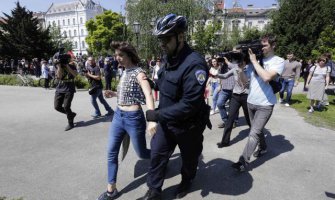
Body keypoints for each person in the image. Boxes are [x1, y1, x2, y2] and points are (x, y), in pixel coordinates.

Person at [138, 14, 210, 200]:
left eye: (166, 38)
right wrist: (151, 85)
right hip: (167, 123)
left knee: (189, 160)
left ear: (180, 37)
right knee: (157, 156)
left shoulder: (195, 64)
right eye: (159, 39)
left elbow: (189, 105)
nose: (162, 43)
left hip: (188, 125)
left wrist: (156, 115)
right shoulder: (168, 57)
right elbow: (167, 84)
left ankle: (187, 181)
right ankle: (154, 191)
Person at [96, 41, 156, 200]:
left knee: (142, 154)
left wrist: (151, 119)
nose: (117, 58)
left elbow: (148, 95)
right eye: (116, 55)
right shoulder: (124, 71)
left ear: (129, 55)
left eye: (120, 55)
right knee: (111, 152)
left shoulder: (139, 73)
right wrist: (114, 94)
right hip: (118, 116)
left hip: (133, 118)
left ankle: (160, 157)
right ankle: (111, 190)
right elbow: (130, 93)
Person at [231, 34, 285, 172]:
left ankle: (243, 161)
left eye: (265, 45)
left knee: (254, 132)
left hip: (265, 104)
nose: (262, 48)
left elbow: (267, 77)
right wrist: (241, 68)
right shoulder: (253, 61)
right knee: (257, 130)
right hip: (251, 102)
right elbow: (244, 82)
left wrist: (254, 61)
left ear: (273, 45)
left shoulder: (278, 61)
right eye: (260, 45)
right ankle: (264, 147)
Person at [216, 54, 250, 148]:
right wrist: (216, 75)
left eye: (239, 61)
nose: (237, 63)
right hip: (235, 96)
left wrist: (241, 71)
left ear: (244, 62)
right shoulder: (235, 69)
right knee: (230, 119)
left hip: (245, 97)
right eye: (236, 61)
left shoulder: (249, 69)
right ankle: (225, 142)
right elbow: (225, 75)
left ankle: (259, 141)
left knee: (249, 120)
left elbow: (245, 82)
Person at [54, 52, 78, 131]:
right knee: (57, 107)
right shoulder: (57, 66)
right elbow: (59, 77)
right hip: (60, 88)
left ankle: (70, 123)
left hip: (69, 88)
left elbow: (75, 75)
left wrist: (67, 66)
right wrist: (59, 67)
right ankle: (71, 114)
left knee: (67, 106)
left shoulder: (72, 65)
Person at [216, 57, 235, 128]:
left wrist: (227, 62)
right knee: (219, 103)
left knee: (233, 107)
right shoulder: (221, 67)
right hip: (224, 89)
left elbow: (236, 69)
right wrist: (220, 86)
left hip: (234, 89)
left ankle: (234, 121)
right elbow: (220, 76)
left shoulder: (233, 64)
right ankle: (226, 121)